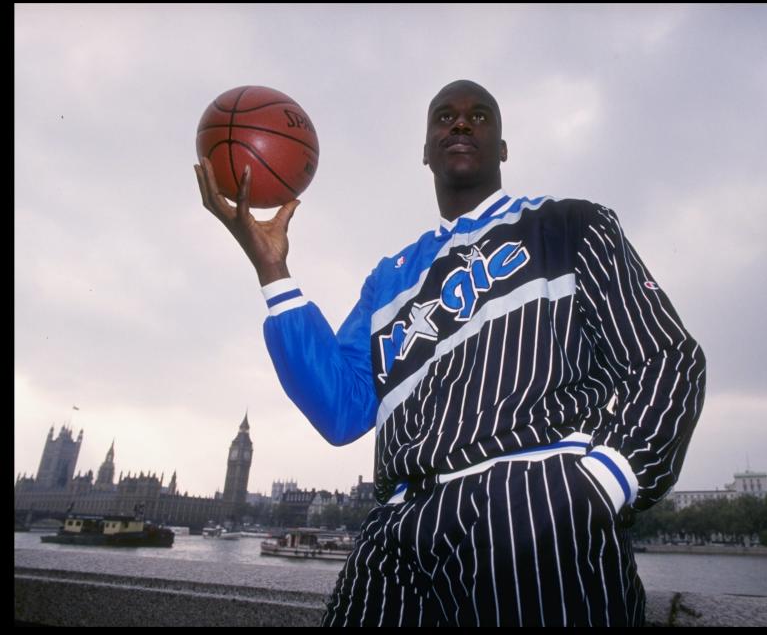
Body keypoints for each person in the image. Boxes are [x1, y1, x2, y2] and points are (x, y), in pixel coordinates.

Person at [195, 80, 706, 626]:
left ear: (503, 147)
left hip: (533, 518)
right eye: (445, 117)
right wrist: (272, 271)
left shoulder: (571, 225)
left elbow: (666, 358)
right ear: (425, 149)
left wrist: (602, 483)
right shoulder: (387, 280)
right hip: (397, 534)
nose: (460, 124)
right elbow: (342, 409)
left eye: (479, 116)